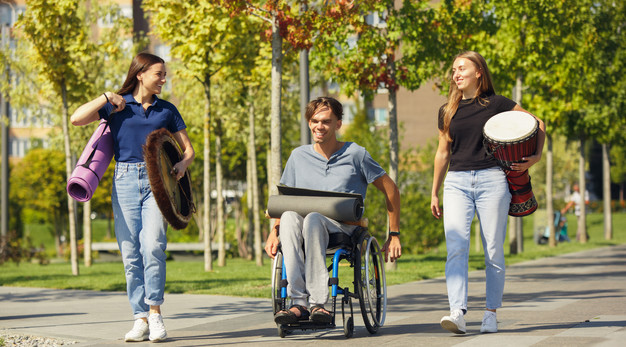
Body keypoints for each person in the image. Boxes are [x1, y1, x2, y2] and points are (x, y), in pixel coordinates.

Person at [70, 53, 194, 342]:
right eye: (159, 74)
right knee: (130, 254)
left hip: (157, 182)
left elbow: (188, 150)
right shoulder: (117, 106)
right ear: (141, 74)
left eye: (164, 74)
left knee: (152, 246)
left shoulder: (167, 110)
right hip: (124, 180)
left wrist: (182, 165)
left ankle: (155, 314)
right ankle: (139, 318)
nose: (164, 79)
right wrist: (106, 96)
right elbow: (76, 119)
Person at [430, 51, 545, 334]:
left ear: (478, 72)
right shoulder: (447, 110)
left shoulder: (498, 104)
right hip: (456, 182)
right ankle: (457, 312)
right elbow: (442, 152)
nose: (456, 74)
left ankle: (490, 314)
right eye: (454, 70)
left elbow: (538, 124)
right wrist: (434, 191)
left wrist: (536, 156)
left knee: (493, 249)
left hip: (492, 180)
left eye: (461, 69)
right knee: (456, 248)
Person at [265, 96, 402, 324]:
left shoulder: (356, 154)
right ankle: (298, 302)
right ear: (309, 123)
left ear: (338, 124)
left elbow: (391, 190)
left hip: (343, 228)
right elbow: (286, 200)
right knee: (290, 216)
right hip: (304, 225)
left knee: (314, 219)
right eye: (315, 120)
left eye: (326, 121)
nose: (320, 126)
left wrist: (394, 234)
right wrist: (274, 230)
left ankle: (320, 304)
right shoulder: (298, 156)